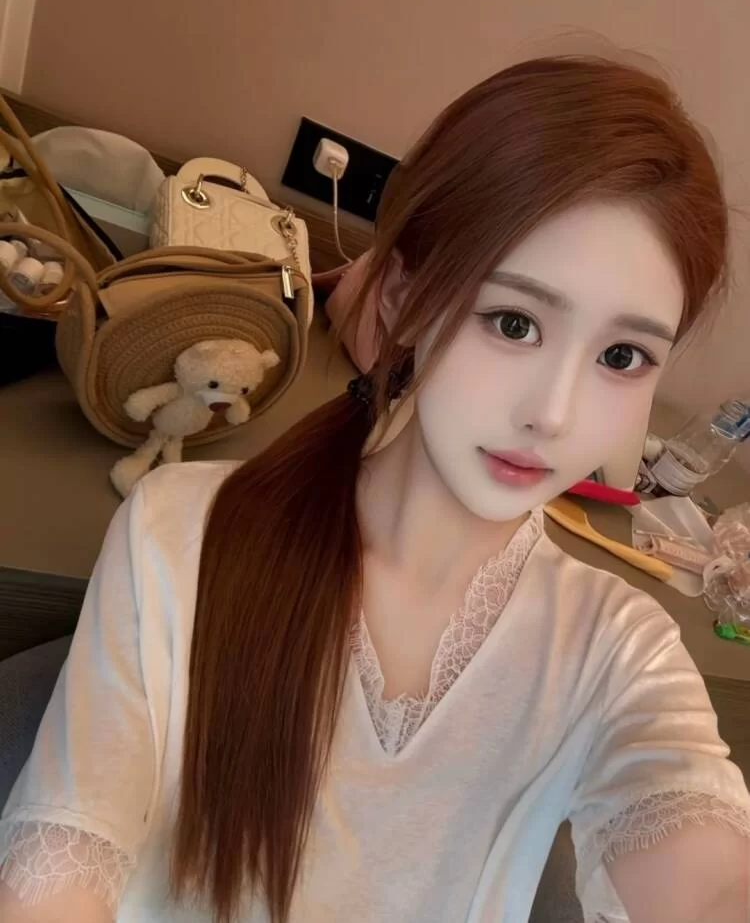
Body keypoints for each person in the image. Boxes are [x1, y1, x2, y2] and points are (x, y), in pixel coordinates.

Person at [1, 56, 748, 923]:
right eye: (514, 322)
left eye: (622, 356)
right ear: (400, 299)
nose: (555, 413)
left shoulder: (620, 653)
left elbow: (706, 877)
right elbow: (55, 875)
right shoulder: (182, 534)